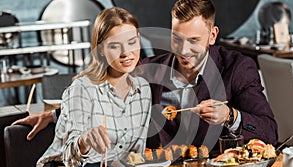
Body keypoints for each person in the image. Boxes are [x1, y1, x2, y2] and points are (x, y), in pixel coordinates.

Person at [14, 0, 277, 152]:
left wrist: (230, 116)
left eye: (194, 40)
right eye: (177, 39)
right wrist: (54, 115)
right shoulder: (150, 70)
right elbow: (101, 93)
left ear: (212, 35)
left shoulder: (237, 68)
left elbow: (270, 132)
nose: (184, 50)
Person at [31, 7, 152, 167]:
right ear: (101, 49)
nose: (126, 52)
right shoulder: (82, 88)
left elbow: (135, 155)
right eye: (114, 45)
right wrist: (84, 141)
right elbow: (69, 159)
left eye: (131, 42)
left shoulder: (143, 90)